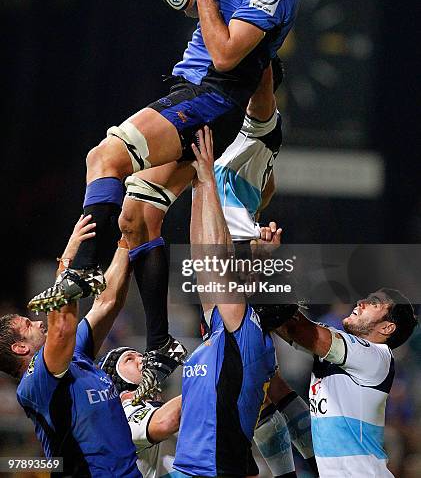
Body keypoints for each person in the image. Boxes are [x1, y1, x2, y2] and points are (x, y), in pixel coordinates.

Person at [28, 0, 302, 333]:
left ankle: (83, 269)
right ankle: (158, 345)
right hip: (195, 90)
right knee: (136, 216)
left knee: (104, 156)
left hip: (211, 97)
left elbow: (228, 55)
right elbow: (209, 13)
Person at [172, 127, 297, 477]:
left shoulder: (242, 330)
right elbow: (204, 261)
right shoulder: (239, 334)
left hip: (210, 471)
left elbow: (210, 258)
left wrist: (209, 180)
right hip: (201, 468)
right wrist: (200, 186)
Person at [0, 215, 141, 477]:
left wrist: (126, 240)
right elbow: (62, 327)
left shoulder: (75, 354)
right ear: (19, 348)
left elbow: (107, 303)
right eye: (28, 326)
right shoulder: (36, 382)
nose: (39, 323)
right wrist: (66, 263)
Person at [276, 289, 418, 477]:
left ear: (386, 328)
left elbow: (300, 330)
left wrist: (269, 289)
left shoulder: (376, 356)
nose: (361, 302)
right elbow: (286, 326)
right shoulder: (340, 355)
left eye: (374, 303)